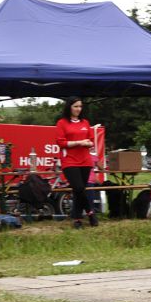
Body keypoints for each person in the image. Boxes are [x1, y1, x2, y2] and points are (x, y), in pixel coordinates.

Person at [55, 97, 99, 229]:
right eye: (75, 106)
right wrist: (79, 142)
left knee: (78, 191)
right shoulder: (62, 123)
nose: (78, 109)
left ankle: (77, 219)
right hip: (69, 161)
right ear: (69, 107)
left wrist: (89, 143)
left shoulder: (85, 122)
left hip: (85, 160)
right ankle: (91, 212)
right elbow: (61, 142)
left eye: (80, 106)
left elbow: (91, 141)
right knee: (79, 188)